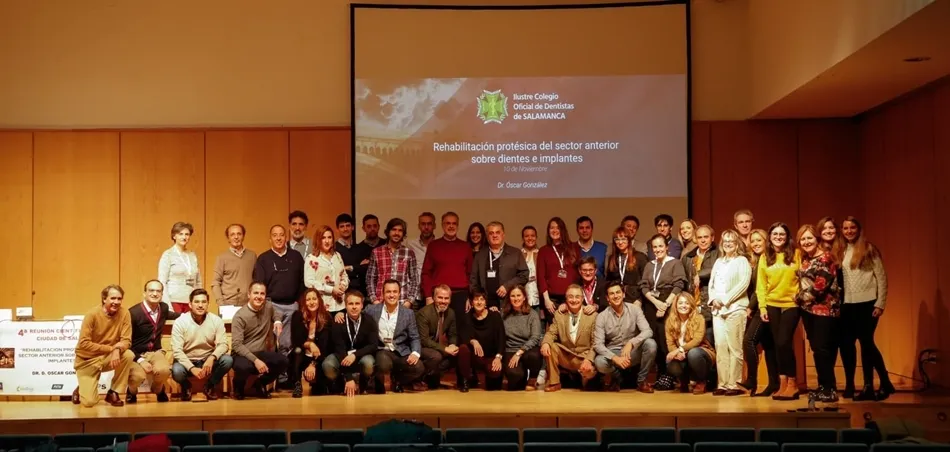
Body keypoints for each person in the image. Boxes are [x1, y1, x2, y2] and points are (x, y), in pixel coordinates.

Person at [839, 216, 893, 401]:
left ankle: (870, 386)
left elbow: (881, 277)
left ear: (858, 229)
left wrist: (880, 303)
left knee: (866, 343)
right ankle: (884, 382)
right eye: (845, 228)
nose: (849, 231)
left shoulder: (869, 248)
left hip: (868, 303)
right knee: (848, 344)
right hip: (847, 304)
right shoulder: (841, 250)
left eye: (852, 227)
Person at [72, 285, 140, 407]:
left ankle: (113, 392)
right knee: (89, 403)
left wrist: (117, 350)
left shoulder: (125, 313)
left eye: (119, 299)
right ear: (104, 299)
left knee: (128, 355)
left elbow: (126, 340)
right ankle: (81, 388)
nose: (116, 302)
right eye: (113, 298)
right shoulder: (92, 315)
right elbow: (83, 343)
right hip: (87, 361)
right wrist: (112, 349)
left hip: (108, 358)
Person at [796, 224, 842, 402]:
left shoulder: (826, 258)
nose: (806, 242)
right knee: (817, 349)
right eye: (803, 239)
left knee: (823, 349)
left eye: (809, 238)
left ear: (817, 239)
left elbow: (820, 287)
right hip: (808, 311)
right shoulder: (806, 259)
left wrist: (798, 298)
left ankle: (830, 388)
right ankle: (823, 386)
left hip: (824, 311)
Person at [757, 222, 801, 401]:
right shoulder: (765, 256)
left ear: (787, 236)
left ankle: (793, 383)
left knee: (784, 342)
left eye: (782, 234)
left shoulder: (796, 254)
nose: (778, 237)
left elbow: (803, 277)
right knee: (777, 345)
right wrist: (762, 306)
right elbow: (761, 285)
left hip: (791, 304)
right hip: (772, 304)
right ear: (770, 236)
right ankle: (783, 383)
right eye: (775, 234)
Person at [638, 234, 688, 390]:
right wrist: (656, 303)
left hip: (669, 303)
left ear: (667, 247)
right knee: (654, 340)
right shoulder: (649, 265)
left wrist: (665, 305)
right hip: (651, 305)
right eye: (655, 247)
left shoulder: (675, 263)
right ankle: (659, 374)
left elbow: (679, 285)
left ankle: (670, 375)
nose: (658, 249)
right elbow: (644, 287)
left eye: (660, 246)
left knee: (666, 338)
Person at [708, 230, 752, 396]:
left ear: (737, 243)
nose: (728, 243)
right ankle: (723, 383)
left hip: (736, 308)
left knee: (735, 347)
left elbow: (743, 284)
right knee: (721, 346)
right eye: (725, 240)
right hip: (717, 310)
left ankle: (734, 384)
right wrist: (713, 299)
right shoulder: (719, 261)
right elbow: (711, 284)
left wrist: (725, 300)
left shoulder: (742, 261)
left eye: (731, 241)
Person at [170, 288, 233, 402]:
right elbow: (177, 351)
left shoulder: (216, 320)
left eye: (204, 302)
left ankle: (209, 386)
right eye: (197, 302)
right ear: (190, 304)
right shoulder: (180, 322)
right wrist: (192, 368)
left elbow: (223, 344)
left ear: (208, 304)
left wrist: (212, 357)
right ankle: (186, 387)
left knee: (227, 360)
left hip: (207, 361)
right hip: (187, 361)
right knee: (177, 371)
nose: (200, 305)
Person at [593, 280, 657, 393]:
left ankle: (641, 381)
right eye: (612, 294)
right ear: (607, 298)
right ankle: (616, 378)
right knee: (599, 362)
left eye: (618, 292)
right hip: (614, 353)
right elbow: (598, 345)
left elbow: (648, 331)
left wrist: (631, 342)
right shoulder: (601, 316)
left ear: (623, 294)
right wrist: (615, 358)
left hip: (633, 352)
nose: (615, 296)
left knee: (651, 344)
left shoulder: (635, 310)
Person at [364, 280, 427, 393]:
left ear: (399, 294)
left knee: (419, 367)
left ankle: (397, 380)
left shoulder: (408, 313)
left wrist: (415, 353)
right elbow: (356, 314)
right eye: (388, 292)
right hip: (381, 350)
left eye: (394, 292)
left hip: (400, 351)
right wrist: (341, 314)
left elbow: (414, 337)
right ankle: (377, 380)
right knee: (383, 362)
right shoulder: (371, 310)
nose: (391, 295)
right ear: (383, 294)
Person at [253, 224, 305, 358]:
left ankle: (284, 377)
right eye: (275, 235)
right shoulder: (263, 258)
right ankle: (271, 376)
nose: (278, 238)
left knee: (287, 344)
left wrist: (298, 302)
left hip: (292, 306)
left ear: (286, 237)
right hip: (271, 305)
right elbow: (259, 284)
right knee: (270, 344)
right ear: (270, 239)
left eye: (281, 235)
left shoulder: (296, 256)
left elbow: (301, 281)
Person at [231, 282, 288, 400]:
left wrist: (277, 321)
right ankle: (238, 387)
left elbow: (276, 313)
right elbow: (237, 345)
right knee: (243, 367)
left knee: (283, 361)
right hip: (242, 354)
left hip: (260, 352)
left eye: (262, 293)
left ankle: (260, 383)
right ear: (249, 294)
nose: (259, 296)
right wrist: (256, 360)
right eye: (255, 293)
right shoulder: (240, 316)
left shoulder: (268, 306)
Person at [740, 228, 780, 397]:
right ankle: (773, 383)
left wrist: (750, 306)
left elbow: (760, 288)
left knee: (749, 340)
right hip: (761, 307)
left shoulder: (770, 260)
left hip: (765, 306)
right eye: (753, 241)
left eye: (759, 240)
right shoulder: (755, 261)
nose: (756, 244)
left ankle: (752, 380)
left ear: (766, 241)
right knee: (769, 345)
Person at [127, 280, 178, 404]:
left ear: (162, 293)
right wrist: (140, 360)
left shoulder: (164, 308)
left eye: (158, 291)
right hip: (135, 354)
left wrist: (192, 314)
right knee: (137, 377)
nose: (155, 294)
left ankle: (158, 390)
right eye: (151, 290)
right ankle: (131, 392)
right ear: (144, 293)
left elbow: (174, 315)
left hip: (155, 352)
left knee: (164, 370)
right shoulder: (133, 313)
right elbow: (126, 342)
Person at [541, 284, 598, 392]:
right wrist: (545, 343)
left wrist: (589, 360)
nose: (574, 300)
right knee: (551, 346)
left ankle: (586, 378)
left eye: (577, 297)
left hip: (584, 358)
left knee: (588, 386)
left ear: (582, 298)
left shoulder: (592, 316)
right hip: (567, 355)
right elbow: (551, 333)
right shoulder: (559, 314)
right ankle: (554, 382)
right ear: (566, 299)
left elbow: (596, 342)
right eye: (570, 297)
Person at [325, 291, 379, 397]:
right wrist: (349, 378)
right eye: (351, 304)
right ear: (345, 306)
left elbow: (373, 345)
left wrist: (355, 355)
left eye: (357, 303)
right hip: (342, 355)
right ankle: (341, 384)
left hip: (360, 355)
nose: (354, 307)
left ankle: (362, 384)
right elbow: (339, 349)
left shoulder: (369, 320)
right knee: (328, 365)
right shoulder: (338, 321)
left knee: (369, 364)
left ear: (362, 305)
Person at [421, 212, 473, 318]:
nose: (451, 226)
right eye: (448, 223)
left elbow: (470, 274)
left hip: (460, 295)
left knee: (459, 331)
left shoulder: (466, 246)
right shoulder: (433, 246)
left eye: (454, 223)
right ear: (442, 225)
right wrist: (428, 296)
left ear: (457, 226)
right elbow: (426, 273)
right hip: (439, 296)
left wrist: (469, 296)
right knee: (438, 331)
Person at [470, 221, 529, 310]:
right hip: (485, 307)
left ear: (503, 234)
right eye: (491, 233)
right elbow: (473, 280)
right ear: (487, 236)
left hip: (509, 305)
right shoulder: (480, 255)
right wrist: (478, 300)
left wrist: (507, 286)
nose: (494, 235)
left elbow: (524, 275)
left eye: (498, 232)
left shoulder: (515, 253)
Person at [665, 292, 715, 394]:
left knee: (693, 353)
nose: (684, 306)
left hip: (701, 351)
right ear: (676, 305)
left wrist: (680, 350)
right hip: (682, 354)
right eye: (681, 303)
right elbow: (670, 343)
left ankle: (701, 382)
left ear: (691, 305)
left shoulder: (699, 318)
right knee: (671, 363)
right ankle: (683, 382)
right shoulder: (670, 321)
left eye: (687, 303)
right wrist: (676, 353)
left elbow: (697, 340)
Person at [457, 290, 506, 391]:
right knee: (463, 349)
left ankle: (489, 378)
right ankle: (466, 380)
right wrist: (473, 341)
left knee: (494, 383)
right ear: (471, 302)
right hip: (475, 357)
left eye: (481, 299)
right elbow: (462, 336)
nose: (479, 302)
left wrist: (498, 357)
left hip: (490, 356)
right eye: (476, 299)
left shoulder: (495, 316)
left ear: (485, 302)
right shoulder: (467, 317)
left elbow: (502, 338)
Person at [366, 218, 419, 308]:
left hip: (402, 303)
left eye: (400, 231)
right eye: (394, 230)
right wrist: (374, 300)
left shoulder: (409, 253)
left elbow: (414, 280)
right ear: (388, 232)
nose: (397, 233)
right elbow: (370, 278)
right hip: (381, 303)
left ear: (403, 234)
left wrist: (409, 301)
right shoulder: (376, 252)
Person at [417, 284, 460, 389]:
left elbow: (452, 334)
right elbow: (424, 340)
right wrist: (445, 349)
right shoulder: (424, 313)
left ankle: (431, 377)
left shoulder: (451, 313)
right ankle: (420, 378)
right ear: (434, 298)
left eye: (446, 298)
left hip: (437, 346)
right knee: (436, 356)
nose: (443, 301)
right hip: (420, 347)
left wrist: (453, 346)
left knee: (458, 353)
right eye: (440, 297)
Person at [538, 217, 582, 320]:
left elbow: (578, 273)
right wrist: (546, 300)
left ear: (563, 230)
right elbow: (541, 277)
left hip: (571, 298)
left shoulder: (573, 248)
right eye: (551, 228)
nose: (554, 230)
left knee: (571, 331)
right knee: (555, 331)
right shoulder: (544, 251)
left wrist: (574, 297)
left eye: (558, 228)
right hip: (551, 299)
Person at [290, 288, 331, 397]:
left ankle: (318, 382)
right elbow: (296, 342)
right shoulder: (297, 316)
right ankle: (297, 385)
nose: (312, 302)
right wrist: (310, 344)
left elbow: (325, 347)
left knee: (319, 392)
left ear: (319, 300)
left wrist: (313, 364)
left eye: (314, 299)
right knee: (297, 351)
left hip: (319, 358)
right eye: (308, 300)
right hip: (302, 356)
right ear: (304, 302)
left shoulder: (327, 318)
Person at [502, 285, 543, 391]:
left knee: (534, 356)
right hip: (510, 349)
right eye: (513, 296)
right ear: (509, 298)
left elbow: (535, 337)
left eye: (519, 295)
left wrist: (519, 352)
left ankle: (533, 378)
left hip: (527, 350)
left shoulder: (532, 314)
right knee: (515, 379)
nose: (516, 299)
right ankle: (522, 374)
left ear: (524, 297)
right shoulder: (504, 314)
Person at [684, 225, 720, 345]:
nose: (703, 240)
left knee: (710, 343)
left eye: (706, 237)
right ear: (695, 239)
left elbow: (718, 268)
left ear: (712, 238)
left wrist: (700, 274)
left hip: (711, 306)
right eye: (700, 237)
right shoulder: (688, 258)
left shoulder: (719, 253)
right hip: (693, 306)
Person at [304, 225, 350, 316]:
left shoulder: (337, 256)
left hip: (340, 305)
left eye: (329, 237)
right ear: (318, 240)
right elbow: (309, 282)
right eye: (323, 238)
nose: (327, 241)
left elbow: (344, 275)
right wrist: (331, 289)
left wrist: (343, 286)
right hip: (323, 306)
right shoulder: (312, 258)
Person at [158, 222, 202, 313]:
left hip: (191, 301)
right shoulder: (168, 255)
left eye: (187, 234)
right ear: (174, 236)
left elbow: (198, 282)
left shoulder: (192, 256)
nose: (184, 237)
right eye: (180, 234)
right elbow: (162, 281)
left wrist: (199, 301)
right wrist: (167, 306)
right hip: (174, 301)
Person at [211, 224, 257, 306]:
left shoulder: (252, 256)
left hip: (248, 304)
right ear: (228, 238)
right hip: (228, 304)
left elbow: (256, 280)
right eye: (232, 234)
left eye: (239, 234)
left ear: (243, 236)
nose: (236, 237)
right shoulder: (222, 258)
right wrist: (221, 303)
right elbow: (215, 283)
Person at [606, 226, 648, 304]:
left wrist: (639, 300)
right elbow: (609, 281)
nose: (620, 242)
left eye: (623, 239)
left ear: (629, 240)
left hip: (635, 299)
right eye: (617, 239)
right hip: (617, 299)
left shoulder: (640, 257)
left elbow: (646, 282)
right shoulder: (612, 259)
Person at [335, 213, 372, 297]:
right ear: (337, 229)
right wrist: (358, 266)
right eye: (342, 226)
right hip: (342, 292)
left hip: (361, 292)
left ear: (352, 227)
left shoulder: (361, 248)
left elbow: (366, 268)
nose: (345, 229)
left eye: (348, 225)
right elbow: (336, 270)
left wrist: (349, 267)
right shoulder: (333, 249)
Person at [407, 212, 436, 308]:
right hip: (415, 296)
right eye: (423, 224)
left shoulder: (439, 246)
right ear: (419, 226)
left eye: (429, 224)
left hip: (434, 295)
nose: (426, 227)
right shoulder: (410, 245)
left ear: (434, 226)